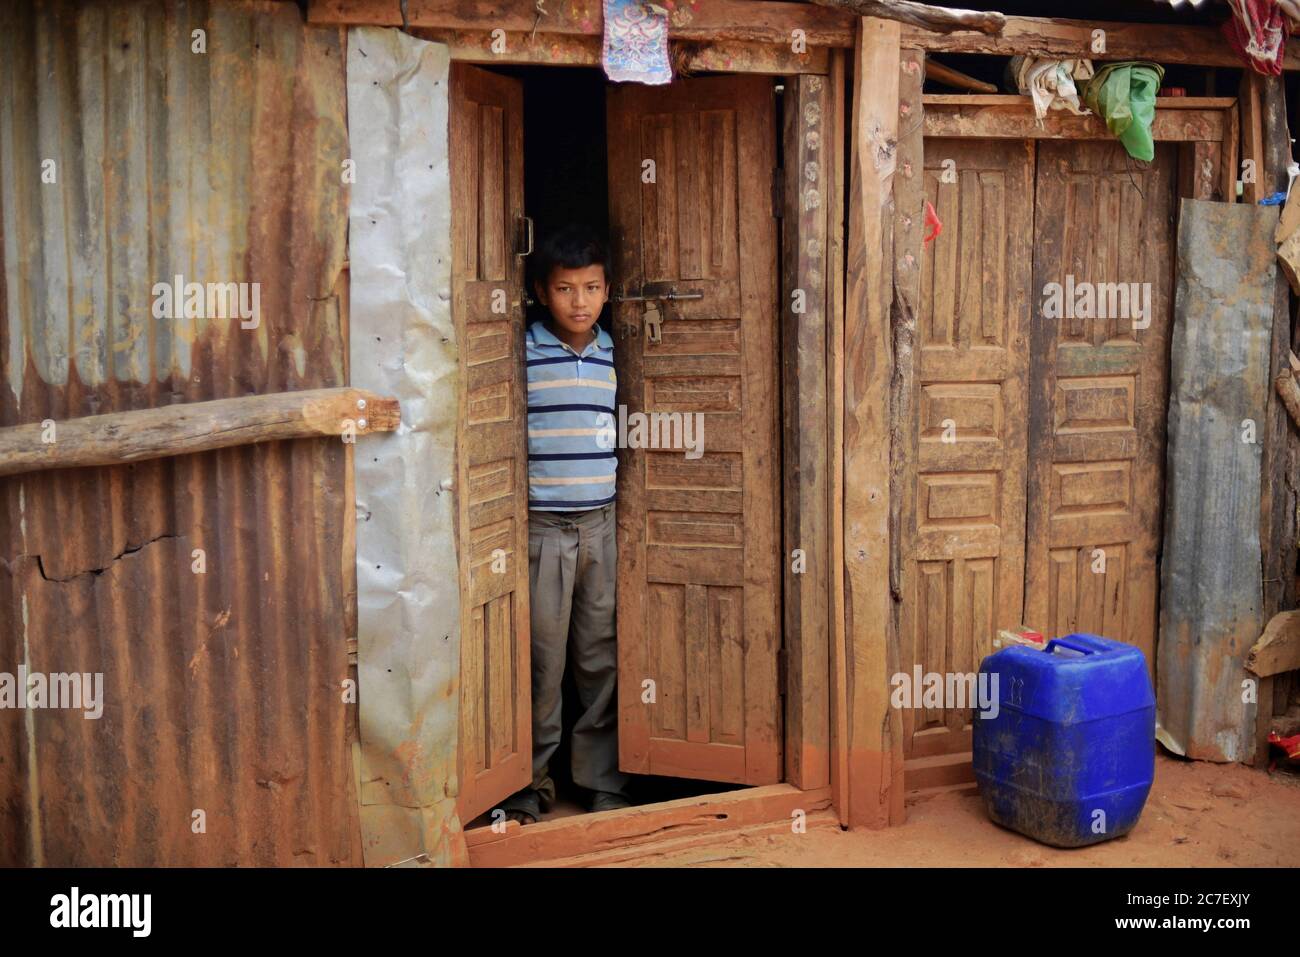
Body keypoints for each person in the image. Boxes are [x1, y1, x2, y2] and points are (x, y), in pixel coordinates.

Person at [499, 224, 632, 825]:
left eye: (591, 288)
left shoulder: (613, 350)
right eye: (564, 289)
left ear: (608, 291)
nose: (579, 302)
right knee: (541, 661)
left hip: (600, 525)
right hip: (544, 528)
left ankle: (601, 779)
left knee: (599, 658)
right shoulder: (522, 352)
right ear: (539, 292)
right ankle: (528, 782)